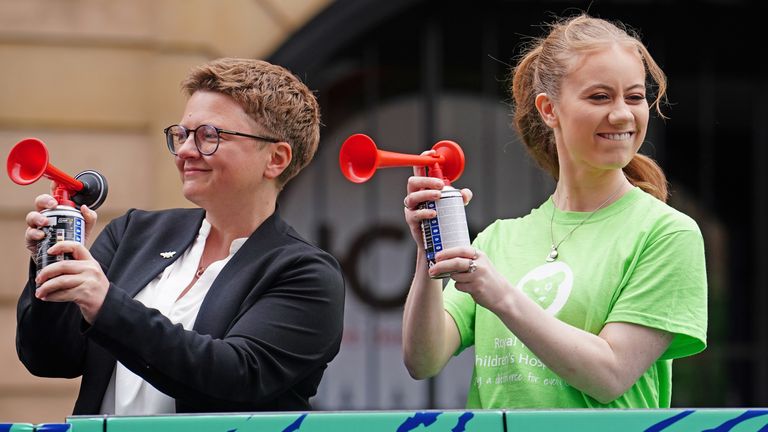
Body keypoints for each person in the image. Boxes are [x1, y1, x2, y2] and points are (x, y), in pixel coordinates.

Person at [401, 14, 707, 408]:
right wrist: (429, 246)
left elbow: (611, 375)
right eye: (599, 97)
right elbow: (423, 360)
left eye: (634, 97)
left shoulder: (667, 233)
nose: (622, 114)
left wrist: (500, 295)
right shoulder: (499, 238)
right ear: (549, 109)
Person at [17, 58, 345, 415]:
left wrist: (106, 303)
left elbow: (236, 377)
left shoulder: (307, 273)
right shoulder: (133, 233)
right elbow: (49, 358)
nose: (187, 150)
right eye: (182, 134)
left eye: (209, 136)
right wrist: (52, 265)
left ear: (276, 159)